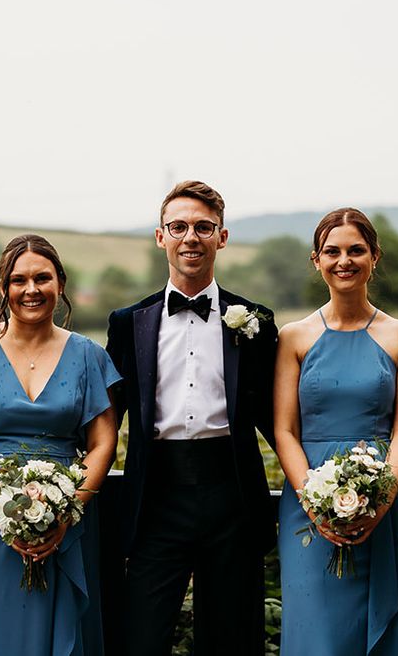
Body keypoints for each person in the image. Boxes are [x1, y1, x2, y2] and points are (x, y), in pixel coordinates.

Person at [106, 180, 277, 656]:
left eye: (204, 227)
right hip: (155, 496)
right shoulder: (128, 322)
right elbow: (106, 415)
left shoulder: (256, 320)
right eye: (178, 227)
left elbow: (275, 417)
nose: (191, 238)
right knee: (140, 638)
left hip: (232, 495)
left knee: (233, 641)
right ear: (160, 236)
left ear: (223, 237)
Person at [0, 233, 119, 656]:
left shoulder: (89, 355)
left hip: (66, 518)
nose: (31, 289)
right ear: (3, 287)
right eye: (19, 280)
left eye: (43, 278)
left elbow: (103, 442)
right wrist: (3, 510)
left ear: (61, 283)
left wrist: (67, 511)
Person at [274, 207, 398, 655]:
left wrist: (380, 500)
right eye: (332, 251)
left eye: (356, 250)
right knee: (318, 631)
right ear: (316, 260)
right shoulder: (294, 337)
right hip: (309, 508)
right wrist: (315, 503)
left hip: (384, 495)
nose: (345, 260)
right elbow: (284, 430)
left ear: (374, 257)